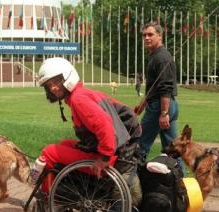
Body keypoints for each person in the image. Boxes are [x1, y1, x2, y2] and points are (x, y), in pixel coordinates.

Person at [37, 57, 143, 208]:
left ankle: (48, 202)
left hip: (110, 158)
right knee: (65, 144)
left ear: (67, 76)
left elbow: (105, 126)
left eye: (56, 81)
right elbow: (124, 113)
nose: (53, 88)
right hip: (121, 153)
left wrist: (104, 157)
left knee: (48, 152)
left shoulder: (78, 99)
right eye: (49, 85)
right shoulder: (85, 93)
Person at [134, 22, 180, 166]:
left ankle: (133, 183)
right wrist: (142, 105)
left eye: (150, 34)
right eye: (144, 35)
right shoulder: (156, 56)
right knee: (173, 150)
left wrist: (164, 113)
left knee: (140, 145)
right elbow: (153, 87)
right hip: (167, 105)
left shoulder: (161, 57)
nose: (146, 38)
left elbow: (165, 87)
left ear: (159, 36)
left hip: (161, 107)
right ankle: (182, 184)